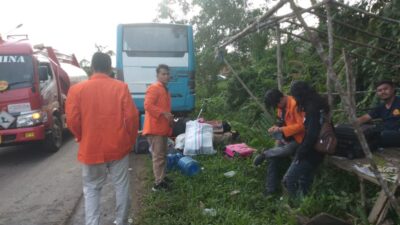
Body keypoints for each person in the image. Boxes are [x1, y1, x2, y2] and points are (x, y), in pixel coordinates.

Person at [66, 52, 139, 225]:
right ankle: (120, 221)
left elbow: (72, 120)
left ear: (92, 67)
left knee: (91, 189)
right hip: (118, 147)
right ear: (109, 67)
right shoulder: (120, 87)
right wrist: (129, 141)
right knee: (121, 185)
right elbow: (132, 117)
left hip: (91, 149)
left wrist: (81, 137)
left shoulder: (76, 90)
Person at [253, 89, 305, 196]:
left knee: (287, 150)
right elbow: (281, 121)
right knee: (274, 156)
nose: (277, 107)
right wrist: (276, 127)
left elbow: (301, 126)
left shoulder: (295, 104)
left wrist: (281, 130)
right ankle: (270, 189)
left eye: (277, 104)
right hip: (286, 137)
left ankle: (265, 154)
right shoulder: (281, 107)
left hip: (299, 138)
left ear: (281, 98)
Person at [283, 81, 328, 198]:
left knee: (289, 179)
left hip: (313, 150)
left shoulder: (312, 109)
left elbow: (312, 134)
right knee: (304, 180)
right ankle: (304, 203)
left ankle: (296, 204)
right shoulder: (316, 104)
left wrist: (300, 152)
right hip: (316, 148)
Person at [143, 64, 173, 191]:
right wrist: (163, 113)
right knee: (158, 156)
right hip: (155, 129)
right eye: (163, 74)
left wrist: (168, 117)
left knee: (163, 155)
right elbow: (147, 105)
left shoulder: (164, 89)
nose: (166, 76)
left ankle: (162, 177)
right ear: (157, 75)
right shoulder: (154, 88)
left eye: (167, 74)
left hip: (163, 128)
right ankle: (158, 184)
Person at [357, 80, 400, 147]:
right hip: (386, 133)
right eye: (379, 90)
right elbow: (365, 118)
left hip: (395, 134)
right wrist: (350, 125)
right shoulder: (381, 107)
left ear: (393, 89)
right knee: (365, 131)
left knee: (378, 136)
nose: (383, 92)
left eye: (385, 89)